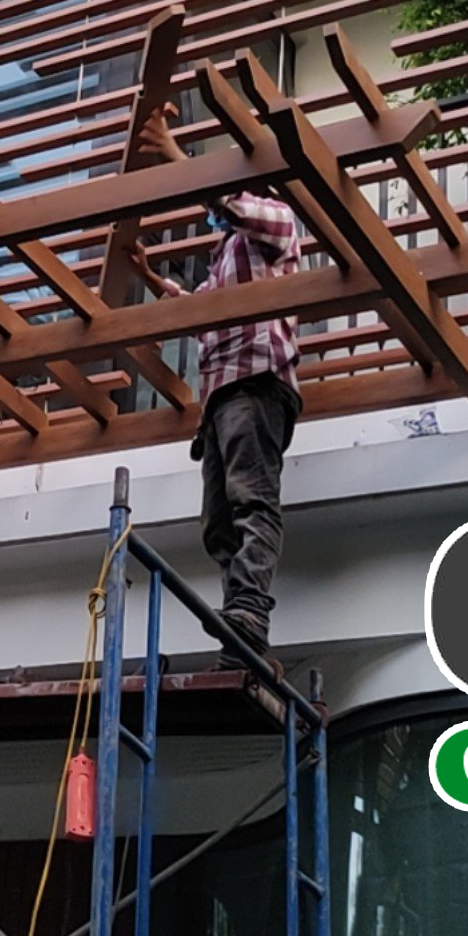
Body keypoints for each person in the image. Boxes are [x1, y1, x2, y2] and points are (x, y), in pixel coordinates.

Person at [122, 106, 304, 677]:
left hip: (257, 381)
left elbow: (234, 205)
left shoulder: (277, 220)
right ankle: (242, 628)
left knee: (252, 498)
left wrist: (178, 157)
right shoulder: (226, 253)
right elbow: (200, 312)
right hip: (223, 393)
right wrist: (151, 279)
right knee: (218, 523)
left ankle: (248, 610)